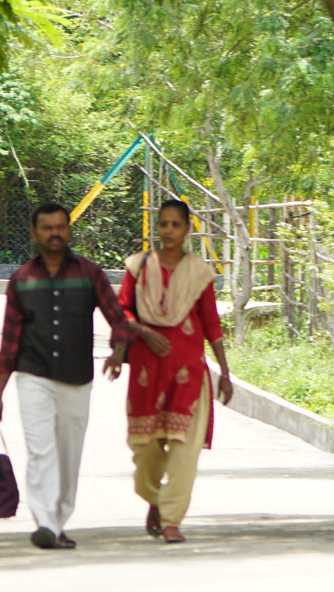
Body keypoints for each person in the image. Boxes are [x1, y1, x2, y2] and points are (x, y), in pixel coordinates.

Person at [0, 201, 154, 550]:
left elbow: (118, 318)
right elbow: (10, 339)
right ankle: (45, 522)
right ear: (34, 234)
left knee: (68, 452)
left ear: (69, 230)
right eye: (47, 228)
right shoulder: (21, 280)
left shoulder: (88, 273)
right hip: (33, 375)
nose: (55, 233)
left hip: (77, 378)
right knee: (40, 449)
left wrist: (119, 351)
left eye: (61, 226)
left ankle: (58, 520)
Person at [113, 198, 235, 543]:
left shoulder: (199, 272)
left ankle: (171, 520)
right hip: (146, 372)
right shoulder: (137, 267)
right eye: (163, 224)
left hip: (188, 375)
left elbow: (211, 323)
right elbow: (122, 311)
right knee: (144, 447)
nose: (168, 231)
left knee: (185, 451)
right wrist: (142, 335)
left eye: (175, 225)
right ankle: (154, 498)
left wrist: (224, 372)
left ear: (186, 229)